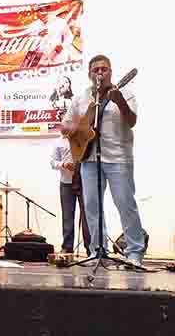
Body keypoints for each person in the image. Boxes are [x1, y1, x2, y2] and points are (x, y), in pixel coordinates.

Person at [62, 54, 145, 266]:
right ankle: (97, 250)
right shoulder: (81, 98)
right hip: (89, 159)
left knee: (125, 204)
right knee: (91, 206)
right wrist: (76, 130)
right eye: (96, 69)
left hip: (118, 158)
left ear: (111, 72)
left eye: (104, 69)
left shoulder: (125, 93)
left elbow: (132, 121)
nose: (100, 73)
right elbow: (66, 126)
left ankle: (134, 252)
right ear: (90, 74)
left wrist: (121, 103)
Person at [50, 134, 91, 255]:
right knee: (67, 216)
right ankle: (67, 247)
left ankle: (91, 249)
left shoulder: (82, 137)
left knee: (87, 216)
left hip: (84, 181)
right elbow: (52, 162)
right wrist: (63, 164)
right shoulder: (58, 142)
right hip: (66, 182)